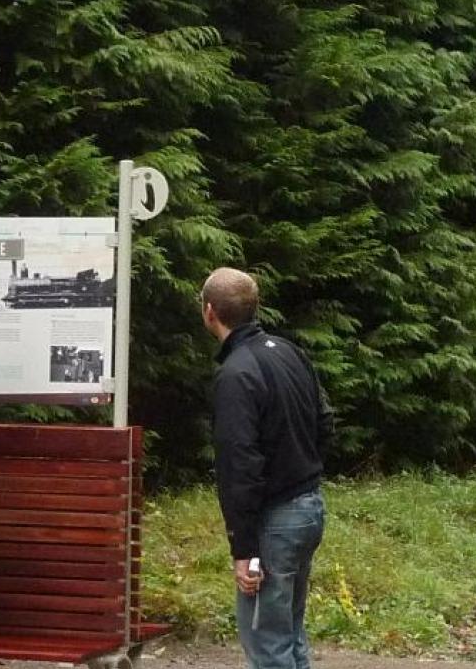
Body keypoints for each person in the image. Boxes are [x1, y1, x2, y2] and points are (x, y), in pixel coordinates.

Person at [201, 267, 332, 669]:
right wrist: (301, 468)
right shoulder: (289, 352)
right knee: (289, 634)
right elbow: (325, 421)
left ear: (209, 311)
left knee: (267, 644)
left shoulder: (236, 374)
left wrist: (244, 550)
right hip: (308, 509)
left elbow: (239, 465)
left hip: (273, 524)